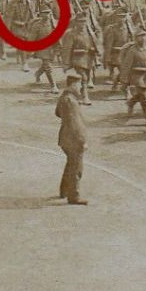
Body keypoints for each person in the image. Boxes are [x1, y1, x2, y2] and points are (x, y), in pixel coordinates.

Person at [55, 72, 89, 205]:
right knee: (76, 168)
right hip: (73, 138)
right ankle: (74, 196)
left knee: (70, 164)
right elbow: (76, 124)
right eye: (80, 84)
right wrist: (82, 140)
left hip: (65, 137)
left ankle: (64, 191)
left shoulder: (64, 97)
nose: (80, 87)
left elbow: (57, 113)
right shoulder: (71, 101)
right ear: (74, 84)